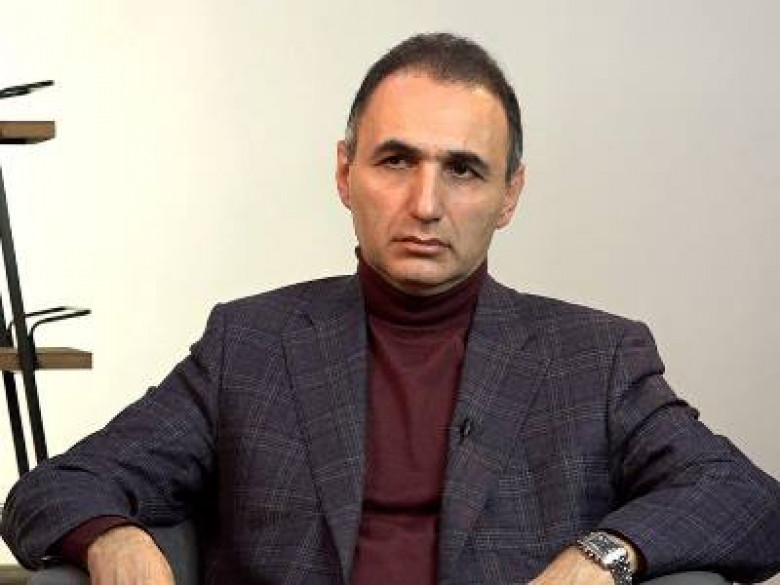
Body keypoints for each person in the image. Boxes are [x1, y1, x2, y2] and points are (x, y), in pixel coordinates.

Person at [2, 32, 780, 585]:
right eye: (397, 159)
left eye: (464, 170)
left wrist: (607, 553)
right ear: (345, 173)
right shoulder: (252, 344)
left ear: (510, 194)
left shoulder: (593, 358)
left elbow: (748, 501)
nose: (426, 203)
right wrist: (112, 536)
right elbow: (57, 484)